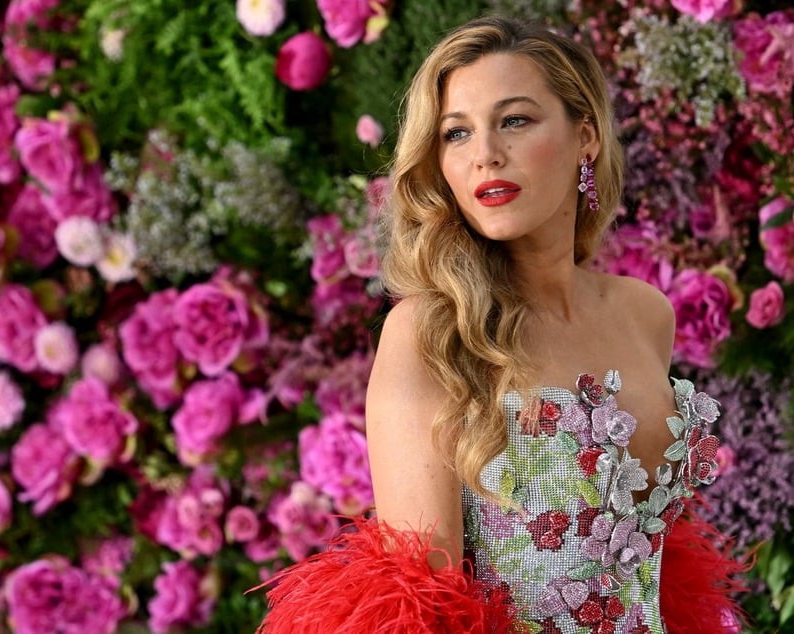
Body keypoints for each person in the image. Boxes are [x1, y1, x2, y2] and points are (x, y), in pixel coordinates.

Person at [258, 16, 746, 633]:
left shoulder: (646, 313)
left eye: (514, 120)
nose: (484, 153)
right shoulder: (429, 333)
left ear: (585, 138)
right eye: (455, 133)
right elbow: (422, 612)